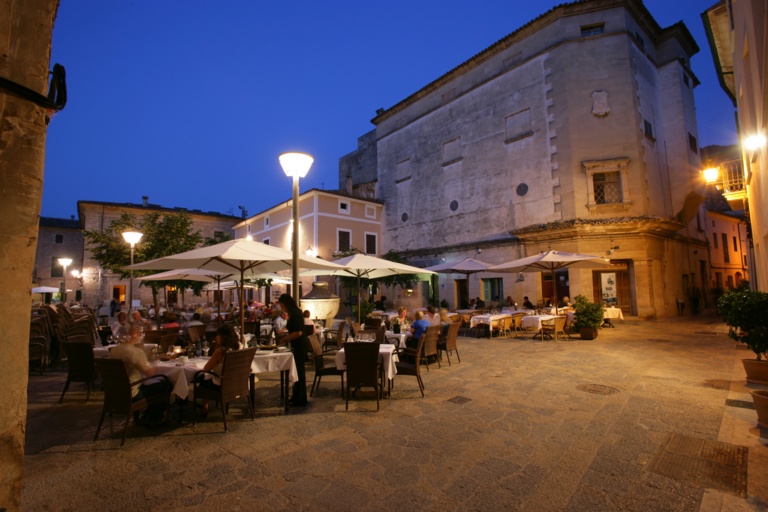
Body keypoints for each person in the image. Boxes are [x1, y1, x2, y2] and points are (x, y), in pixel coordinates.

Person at [110, 323, 171, 427]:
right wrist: (158, 363)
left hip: (117, 391)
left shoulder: (115, 350)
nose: (141, 334)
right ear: (132, 335)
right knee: (166, 384)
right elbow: (150, 372)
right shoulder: (135, 352)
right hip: (133, 392)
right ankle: (154, 416)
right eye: (138, 332)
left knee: (156, 384)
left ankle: (148, 414)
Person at [197, 324, 241, 415]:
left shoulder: (220, 351)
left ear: (223, 337)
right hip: (237, 383)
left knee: (200, 378)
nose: (216, 337)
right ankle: (205, 404)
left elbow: (206, 369)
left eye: (218, 335)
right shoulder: (239, 347)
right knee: (207, 378)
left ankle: (204, 404)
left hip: (221, 386)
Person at [276, 294, 309, 407]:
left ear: (286, 304)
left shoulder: (295, 313)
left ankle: (300, 398)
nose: (281, 308)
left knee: (299, 372)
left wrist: (285, 339)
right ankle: (296, 396)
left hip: (299, 345)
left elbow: (298, 332)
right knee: (297, 371)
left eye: (281, 305)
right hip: (297, 344)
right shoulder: (294, 312)